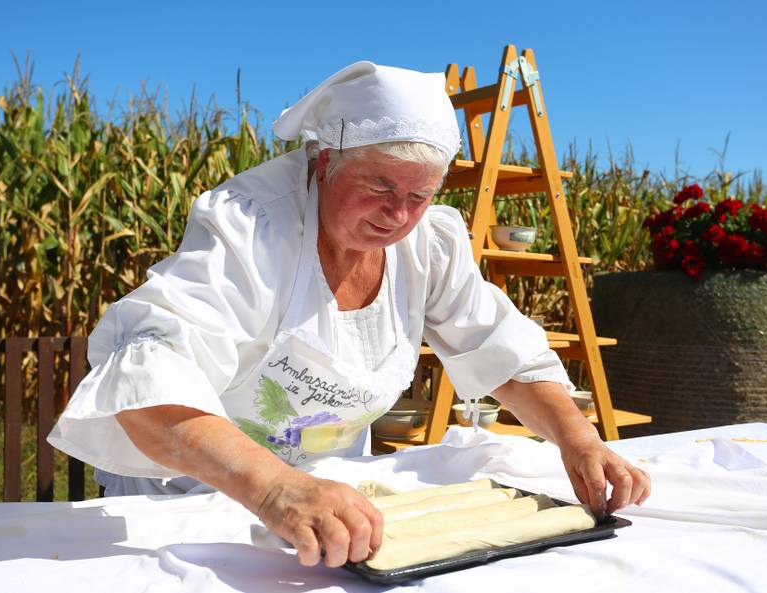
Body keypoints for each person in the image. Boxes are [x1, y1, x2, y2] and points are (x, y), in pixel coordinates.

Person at [48, 61, 650, 568]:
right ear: (323, 162)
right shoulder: (251, 227)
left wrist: (577, 440)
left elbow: (501, 349)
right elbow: (148, 384)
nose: (398, 215)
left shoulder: (429, 246)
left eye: (419, 196)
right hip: (190, 507)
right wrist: (275, 488)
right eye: (379, 187)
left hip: (333, 512)